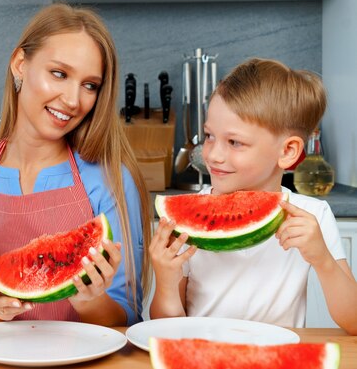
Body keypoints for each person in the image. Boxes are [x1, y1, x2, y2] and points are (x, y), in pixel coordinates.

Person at [0, 3, 151, 326]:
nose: (73, 100)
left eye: (89, 85)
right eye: (59, 74)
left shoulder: (110, 181)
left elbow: (127, 317)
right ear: (20, 64)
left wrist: (91, 302)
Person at [149, 58, 357, 334]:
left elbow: (353, 322)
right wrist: (165, 280)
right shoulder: (185, 224)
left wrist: (323, 260)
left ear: (287, 152)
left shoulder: (312, 217)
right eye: (210, 136)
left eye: (235, 142)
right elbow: (166, 330)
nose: (213, 155)